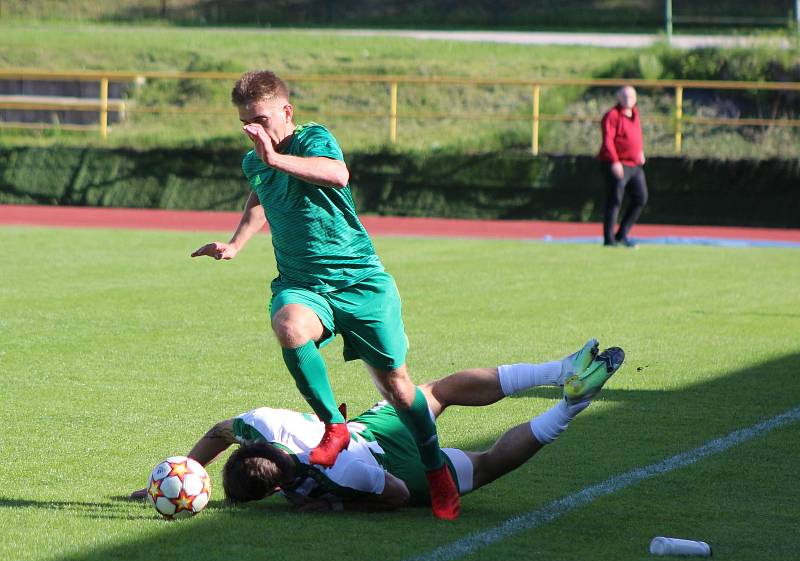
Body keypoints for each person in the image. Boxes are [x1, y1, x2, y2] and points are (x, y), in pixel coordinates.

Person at [189, 70, 459, 518]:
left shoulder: (312, 139)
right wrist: (236, 243)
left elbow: (337, 174)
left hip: (360, 282)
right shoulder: (256, 159)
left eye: (260, 118)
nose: (253, 130)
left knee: (398, 388)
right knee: (289, 326)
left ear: (286, 111)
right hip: (303, 284)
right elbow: (260, 195)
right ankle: (334, 424)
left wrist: (275, 158)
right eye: (245, 122)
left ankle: (435, 469)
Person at [132, 341, 626, 513]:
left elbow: (389, 496)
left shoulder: (341, 477)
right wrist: (186, 469)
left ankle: (567, 406)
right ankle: (559, 370)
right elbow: (223, 430)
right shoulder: (265, 423)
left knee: (489, 463)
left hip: (383, 465)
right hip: (368, 432)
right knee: (438, 390)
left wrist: (339, 507)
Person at [598, 85, 648, 248]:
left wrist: (639, 151)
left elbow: (635, 136)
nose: (628, 100)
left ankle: (622, 234)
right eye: (625, 96)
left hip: (634, 164)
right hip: (617, 164)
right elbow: (608, 141)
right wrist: (614, 161)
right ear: (618, 97)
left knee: (640, 197)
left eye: (631, 97)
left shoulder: (635, 114)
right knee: (615, 200)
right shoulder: (612, 116)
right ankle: (609, 239)